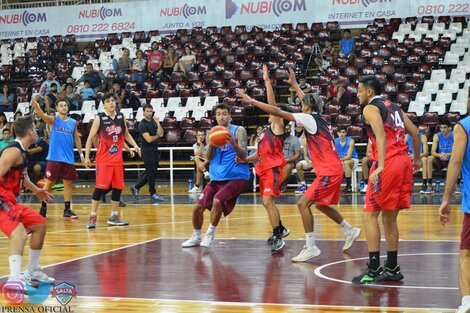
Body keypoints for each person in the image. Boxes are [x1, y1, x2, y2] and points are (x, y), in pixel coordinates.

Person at [237, 68, 361, 262]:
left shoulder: (308, 118)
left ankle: (310, 246)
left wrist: (252, 101)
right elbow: (308, 101)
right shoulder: (320, 118)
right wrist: (295, 85)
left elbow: (277, 110)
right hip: (331, 169)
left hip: (329, 170)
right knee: (320, 205)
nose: (300, 106)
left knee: (302, 204)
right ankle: (349, 229)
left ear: (305, 108)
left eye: (302, 105)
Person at [351, 76, 421, 285]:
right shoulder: (395, 107)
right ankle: (392, 268)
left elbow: (380, 136)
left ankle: (373, 269)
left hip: (388, 163)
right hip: (403, 162)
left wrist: (380, 166)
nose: (357, 94)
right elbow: (415, 132)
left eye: (359, 90)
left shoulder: (370, 108)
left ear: (369, 92)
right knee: (389, 218)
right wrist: (416, 158)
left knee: (370, 215)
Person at [181, 103, 250, 248]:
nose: (221, 117)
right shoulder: (211, 133)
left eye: (224, 113)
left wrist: (233, 143)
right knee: (197, 208)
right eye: (218, 114)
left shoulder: (238, 130)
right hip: (217, 177)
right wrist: (211, 144)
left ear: (230, 116)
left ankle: (210, 233)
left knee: (217, 201)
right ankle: (196, 236)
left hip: (237, 176)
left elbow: (244, 155)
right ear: (215, 116)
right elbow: (209, 157)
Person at [240, 65, 291, 254]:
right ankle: (281, 229)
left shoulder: (278, 125)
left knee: (268, 202)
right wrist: (245, 159)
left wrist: (267, 82)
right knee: (266, 203)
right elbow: (260, 154)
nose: (270, 112)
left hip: (273, 170)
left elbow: (273, 106)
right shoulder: (264, 133)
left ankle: (278, 235)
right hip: (263, 169)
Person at [0, 116, 54, 284]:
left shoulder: (22, 151)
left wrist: (37, 190)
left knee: (39, 224)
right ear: (30, 132)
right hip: (1, 199)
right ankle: (14, 281)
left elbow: (23, 177)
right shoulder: (13, 151)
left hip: (10, 200)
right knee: (19, 234)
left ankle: (32, 270)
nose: (37, 132)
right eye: (35, 130)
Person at [84, 94, 141, 229]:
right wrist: (86, 156)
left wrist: (135, 146)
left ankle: (114, 216)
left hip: (117, 160)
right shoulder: (100, 118)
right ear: (103, 105)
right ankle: (92, 217)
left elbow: (126, 134)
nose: (111, 103)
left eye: (113, 101)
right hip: (103, 160)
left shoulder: (121, 117)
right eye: (108, 101)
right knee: (99, 188)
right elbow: (90, 138)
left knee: (117, 188)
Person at [438, 100, 470, 313]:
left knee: (466, 254)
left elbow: (456, 160)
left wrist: (446, 198)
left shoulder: (464, 126)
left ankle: (467, 301)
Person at [31, 98, 83, 219]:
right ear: (57, 108)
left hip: (68, 159)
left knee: (68, 184)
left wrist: (81, 155)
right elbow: (42, 115)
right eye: (61, 106)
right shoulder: (54, 120)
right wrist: (36, 106)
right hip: (54, 158)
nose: (64, 107)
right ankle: (43, 208)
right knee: (48, 184)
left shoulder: (73, 122)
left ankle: (67, 210)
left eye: (65, 105)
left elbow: (77, 138)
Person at [130, 104, 164, 203]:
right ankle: (153, 193)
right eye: (147, 111)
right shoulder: (142, 124)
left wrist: (158, 123)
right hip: (146, 150)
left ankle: (136, 187)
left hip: (155, 149)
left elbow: (161, 133)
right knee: (151, 173)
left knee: (151, 172)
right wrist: (158, 135)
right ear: (144, 112)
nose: (149, 113)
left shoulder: (154, 121)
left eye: (150, 111)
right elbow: (149, 139)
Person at [424, 121, 457, 194]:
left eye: (445, 128)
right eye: (441, 128)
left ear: (449, 128)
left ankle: (457, 184)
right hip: (440, 159)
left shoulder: (454, 135)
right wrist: (440, 155)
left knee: (458, 158)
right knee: (429, 158)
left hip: (451, 159)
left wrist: (448, 154)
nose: (442, 130)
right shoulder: (437, 136)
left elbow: (458, 151)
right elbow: (433, 152)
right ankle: (429, 184)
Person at [335, 126, 359, 193]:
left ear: (346, 133)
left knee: (346, 162)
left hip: (353, 160)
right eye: (340, 132)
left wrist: (338, 160)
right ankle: (333, 186)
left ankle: (349, 185)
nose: (341, 134)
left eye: (343, 132)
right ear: (337, 133)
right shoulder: (335, 141)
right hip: (340, 160)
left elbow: (349, 156)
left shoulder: (351, 141)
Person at [280, 123, 302, 192]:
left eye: (288, 128)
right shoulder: (277, 139)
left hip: (290, 161)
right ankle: (281, 183)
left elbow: (298, 154)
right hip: (278, 160)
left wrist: (289, 159)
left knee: (288, 166)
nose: (287, 130)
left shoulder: (295, 140)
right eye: (285, 129)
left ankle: (276, 185)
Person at [190, 129, 208, 193]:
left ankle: (197, 186)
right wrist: (200, 146)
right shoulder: (195, 145)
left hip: (210, 162)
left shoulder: (209, 144)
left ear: (205, 136)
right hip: (202, 164)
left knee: (198, 164)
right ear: (197, 137)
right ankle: (205, 171)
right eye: (199, 135)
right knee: (196, 159)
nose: (201, 137)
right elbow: (197, 155)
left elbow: (210, 157)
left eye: (202, 135)